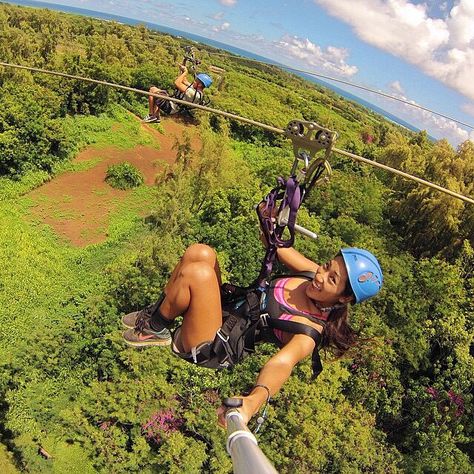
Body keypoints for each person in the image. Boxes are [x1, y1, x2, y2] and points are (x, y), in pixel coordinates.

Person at [122, 233, 383, 426]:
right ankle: (158, 314)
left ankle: (154, 328)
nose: (321, 275)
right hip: (223, 312)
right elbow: (276, 245)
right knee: (200, 253)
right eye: (327, 266)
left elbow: (280, 365)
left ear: (344, 298)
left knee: (199, 273)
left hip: (213, 345)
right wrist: (271, 215)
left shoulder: (307, 331)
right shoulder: (311, 274)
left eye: (332, 280)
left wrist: (253, 402)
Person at [142, 65, 212, 123]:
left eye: (196, 81)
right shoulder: (197, 92)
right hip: (172, 104)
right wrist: (183, 67)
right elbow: (184, 81)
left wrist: (185, 72)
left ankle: (151, 115)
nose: (193, 81)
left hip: (171, 107)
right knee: (162, 92)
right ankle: (156, 116)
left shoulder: (193, 94)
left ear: (199, 85)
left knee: (152, 90)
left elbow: (177, 83)